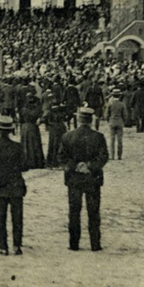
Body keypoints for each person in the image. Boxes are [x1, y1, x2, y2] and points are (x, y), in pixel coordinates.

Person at [57, 107, 109, 252]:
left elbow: (61, 157)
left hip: (74, 179)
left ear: (79, 119)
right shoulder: (98, 137)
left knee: (74, 211)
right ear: (91, 120)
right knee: (93, 212)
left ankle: (74, 244)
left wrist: (75, 166)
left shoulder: (67, 136)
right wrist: (90, 166)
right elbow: (104, 156)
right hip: (93, 178)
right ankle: (95, 243)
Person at [0, 116, 27, 256]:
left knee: (0, 217)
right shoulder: (18, 147)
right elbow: (25, 166)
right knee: (17, 218)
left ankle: (3, 246)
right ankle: (17, 245)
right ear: (11, 130)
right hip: (15, 186)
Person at [19, 94, 45, 169]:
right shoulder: (37, 109)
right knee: (35, 144)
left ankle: (26, 161)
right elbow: (42, 118)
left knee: (25, 144)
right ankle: (36, 162)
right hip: (33, 127)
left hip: (25, 127)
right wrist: (38, 123)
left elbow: (20, 120)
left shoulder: (23, 109)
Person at [104, 89, 127, 160]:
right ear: (119, 96)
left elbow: (106, 114)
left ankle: (112, 155)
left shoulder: (110, 104)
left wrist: (109, 120)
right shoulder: (122, 104)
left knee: (112, 140)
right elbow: (125, 114)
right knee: (120, 140)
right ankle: (119, 155)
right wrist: (123, 121)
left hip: (112, 122)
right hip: (120, 122)